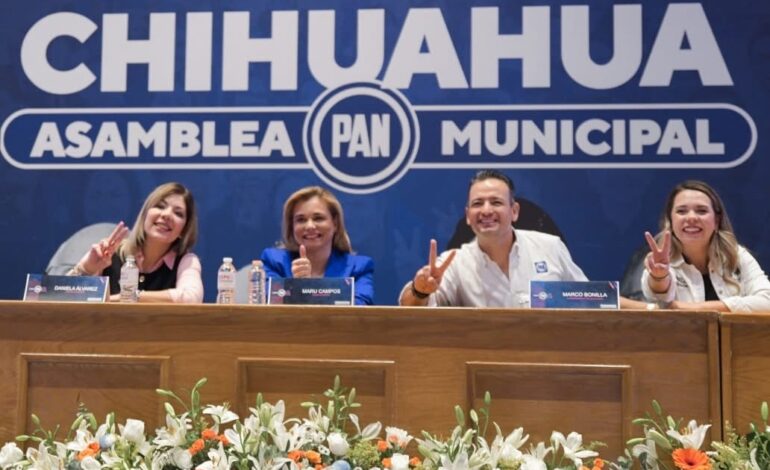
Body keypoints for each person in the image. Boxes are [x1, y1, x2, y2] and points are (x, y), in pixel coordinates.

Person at [399, 170, 587, 307]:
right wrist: (419, 290)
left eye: (496, 202)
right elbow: (408, 308)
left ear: (514, 211)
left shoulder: (550, 246)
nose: (486, 211)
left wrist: (615, 303)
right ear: (467, 215)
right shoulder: (454, 263)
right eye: (477, 203)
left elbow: (588, 298)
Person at [642, 180, 770, 312]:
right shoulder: (660, 260)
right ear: (671, 221)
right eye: (682, 211)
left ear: (716, 221)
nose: (691, 217)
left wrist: (696, 308)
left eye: (701, 211)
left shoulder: (735, 254)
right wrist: (659, 276)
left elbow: (767, 301)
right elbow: (659, 299)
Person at [68, 182, 203, 303]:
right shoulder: (110, 252)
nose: (166, 214)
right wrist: (86, 268)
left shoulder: (186, 261)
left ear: (184, 229)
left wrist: (131, 296)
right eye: (160, 206)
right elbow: (65, 295)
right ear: (145, 215)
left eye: (178, 213)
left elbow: (190, 297)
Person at [260, 186, 374, 305]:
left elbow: (359, 312)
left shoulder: (359, 268)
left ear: (335, 223)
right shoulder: (274, 262)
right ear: (292, 226)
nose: (309, 226)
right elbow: (270, 312)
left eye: (318, 218)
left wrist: (309, 288)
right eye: (301, 220)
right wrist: (296, 286)